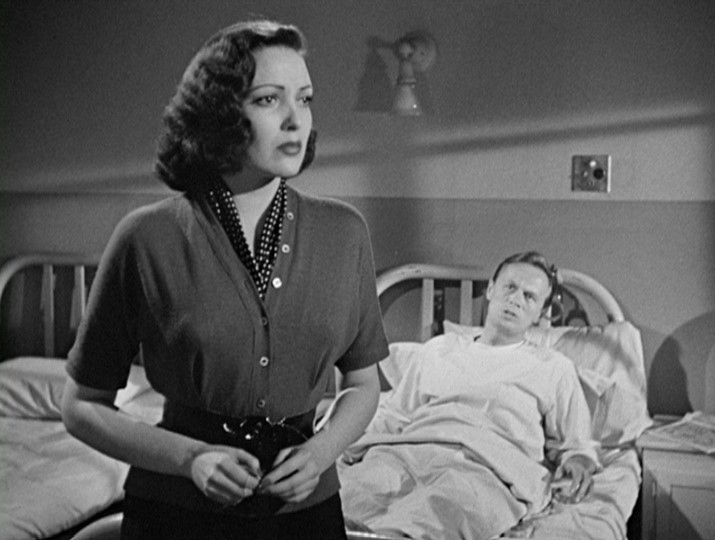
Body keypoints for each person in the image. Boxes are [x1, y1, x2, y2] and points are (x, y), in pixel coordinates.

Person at [61, 19, 388, 540]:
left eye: (304, 99)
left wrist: (322, 451)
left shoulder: (345, 233)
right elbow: (80, 406)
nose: (295, 121)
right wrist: (189, 458)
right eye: (268, 100)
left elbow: (364, 385)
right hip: (174, 514)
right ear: (218, 113)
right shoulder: (146, 237)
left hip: (305, 515)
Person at [340, 251, 599, 540]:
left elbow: (576, 444)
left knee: (436, 512)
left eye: (529, 296)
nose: (515, 299)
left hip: (487, 469)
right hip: (409, 451)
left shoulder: (554, 368)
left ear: (541, 312)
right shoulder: (440, 349)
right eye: (510, 287)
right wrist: (342, 443)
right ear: (491, 290)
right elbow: (396, 415)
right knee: (353, 492)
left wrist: (578, 462)